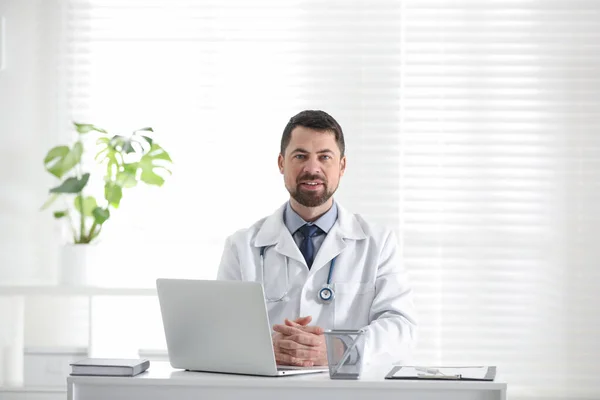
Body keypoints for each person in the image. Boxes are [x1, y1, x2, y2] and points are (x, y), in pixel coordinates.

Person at [217, 110, 416, 367]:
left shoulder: (378, 243)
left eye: (325, 157)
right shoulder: (241, 246)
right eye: (300, 156)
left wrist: (339, 349)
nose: (312, 169)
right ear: (281, 163)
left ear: (342, 166)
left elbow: (401, 329)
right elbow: (222, 331)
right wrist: (264, 347)